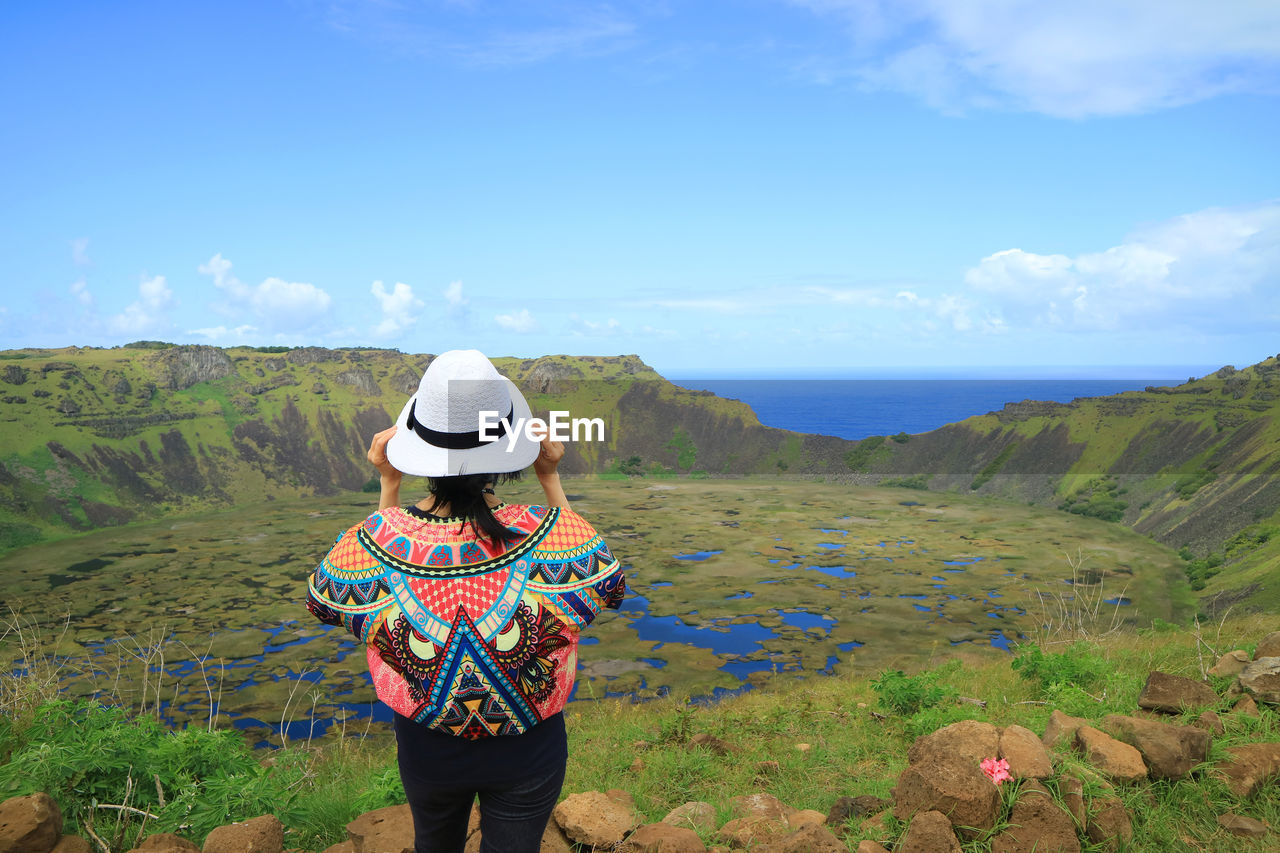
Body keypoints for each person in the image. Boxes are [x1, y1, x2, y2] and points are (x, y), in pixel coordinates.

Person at [306, 349, 626, 853]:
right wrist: (550, 478)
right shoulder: (552, 535)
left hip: (428, 749)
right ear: (507, 448)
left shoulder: (372, 541)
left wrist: (387, 485)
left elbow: (333, 601)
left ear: (418, 451)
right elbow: (604, 581)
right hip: (530, 747)